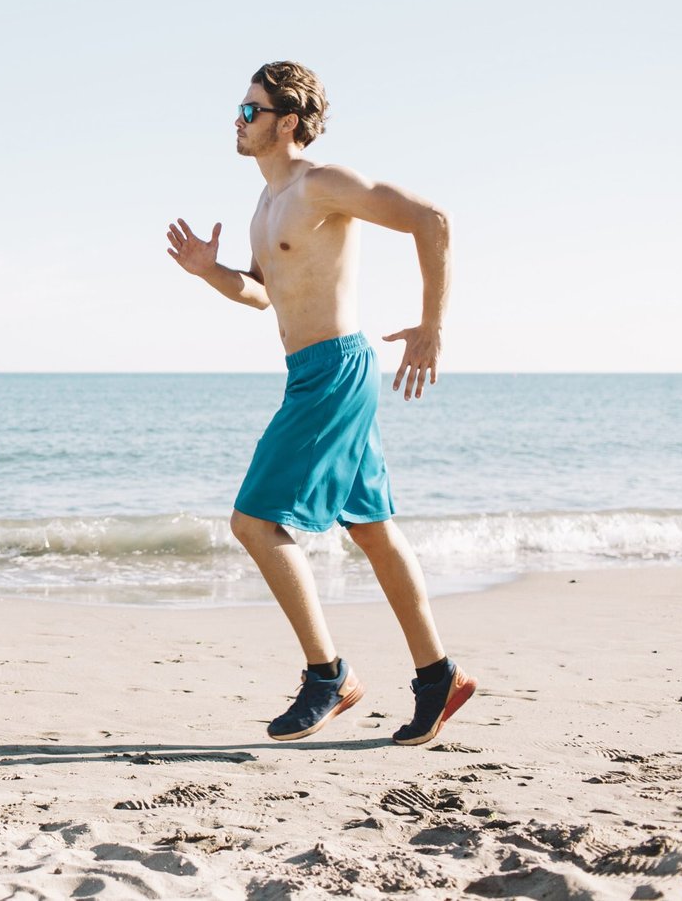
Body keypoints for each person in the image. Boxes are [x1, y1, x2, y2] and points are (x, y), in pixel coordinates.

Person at [166, 61, 475, 746]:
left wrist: (432, 325)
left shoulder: (322, 184)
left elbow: (432, 219)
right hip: (308, 371)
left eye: (251, 111)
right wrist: (210, 272)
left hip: (336, 369)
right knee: (371, 528)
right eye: (239, 110)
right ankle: (438, 676)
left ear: (288, 121)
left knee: (253, 521)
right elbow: (265, 292)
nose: (239, 121)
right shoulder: (263, 207)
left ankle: (327, 672)